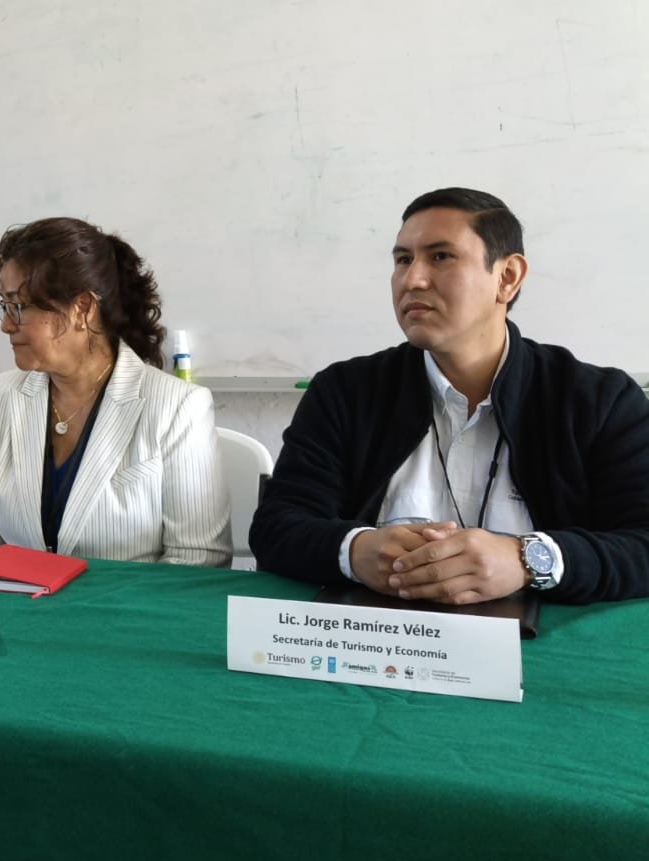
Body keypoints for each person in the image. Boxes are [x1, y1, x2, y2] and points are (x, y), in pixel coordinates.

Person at [250, 188, 649, 605]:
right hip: (379, 636)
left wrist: (528, 559)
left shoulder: (599, 401)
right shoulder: (345, 392)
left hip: (544, 637)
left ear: (507, 277)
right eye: (403, 260)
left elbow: (641, 542)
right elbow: (277, 526)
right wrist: (355, 550)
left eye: (441, 256)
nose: (412, 280)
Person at [0, 217, 230, 565]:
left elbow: (197, 556)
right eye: (4, 306)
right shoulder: (0, 396)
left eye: (18, 306)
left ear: (82, 308)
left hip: (128, 600)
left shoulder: (178, 406)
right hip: (13, 598)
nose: (6, 325)